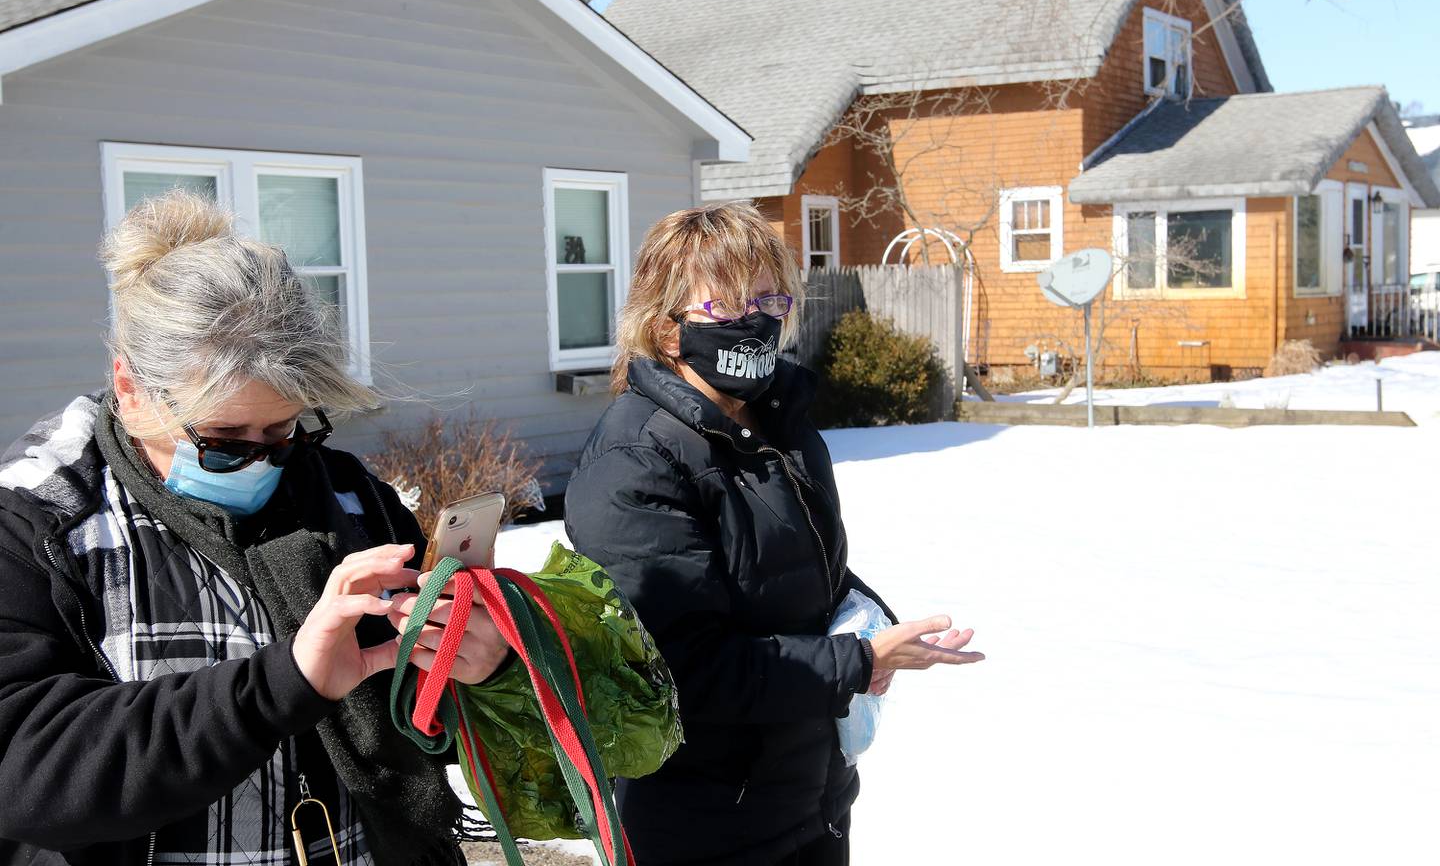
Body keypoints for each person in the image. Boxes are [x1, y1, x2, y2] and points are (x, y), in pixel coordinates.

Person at [0, 192, 510, 866]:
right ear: (130, 388)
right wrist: (283, 682)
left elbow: (422, 717)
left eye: (282, 430)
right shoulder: (40, 520)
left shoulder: (345, 494)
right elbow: (28, 771)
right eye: (221, 439)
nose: (261, 461)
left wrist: (480, 663)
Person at [564, 203, 985, 865]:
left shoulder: (779, 428)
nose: (752, 320)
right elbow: (684, 671)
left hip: (808, 796)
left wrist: (869, 628)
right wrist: (856, 663)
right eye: (725, 306)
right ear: (667, 329)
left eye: (767, 297)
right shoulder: (636, 463)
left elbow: (810, 574)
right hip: (704, 825)